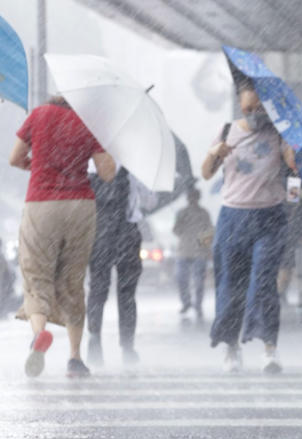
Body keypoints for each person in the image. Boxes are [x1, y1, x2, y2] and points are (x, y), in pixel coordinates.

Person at [8, 96, 116, 378]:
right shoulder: (89, 123)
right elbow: (107, 173)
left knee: (36, 277)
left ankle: (39, 334)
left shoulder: (39, 115)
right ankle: (75, 358)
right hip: (80, 207)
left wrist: (36, 165)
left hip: (42, 203)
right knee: (72, 280)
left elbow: (14, 158)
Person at [201, 76, 297, 374]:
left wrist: (292, 156)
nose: (254, 113)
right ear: (240, 106)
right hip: (232, 218)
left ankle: (270, 348)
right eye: (248, 107)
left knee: (263, 282)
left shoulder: (281, 133)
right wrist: (214, 153)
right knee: (230, 285)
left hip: (269, 218)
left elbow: (295, 174)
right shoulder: (227, 131)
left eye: (260, 108)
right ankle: (232, 349)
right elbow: (206, 174)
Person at [86, 167, 157, 365]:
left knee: (97, 290)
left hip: (99, 234)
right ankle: (127, 347)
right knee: (127, 293)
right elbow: (151, 203)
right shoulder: (135, 167)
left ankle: (94, 340)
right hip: (127, 235)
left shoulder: (93, 165)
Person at [172, 186, 213, 320]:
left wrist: (205, 248)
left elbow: (208, 232)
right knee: (182, 278)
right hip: (184, 250)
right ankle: (187, 302)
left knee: (198, 281)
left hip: (198, 251)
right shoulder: (182, 213)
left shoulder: (204, 213)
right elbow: (176, 230)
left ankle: (197, 305)